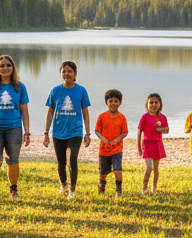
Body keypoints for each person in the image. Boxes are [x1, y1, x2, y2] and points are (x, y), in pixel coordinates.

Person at [0, 55, 30, 198]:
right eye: (1, 66)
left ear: (13, 67)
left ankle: (13, 190)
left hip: (14, 128)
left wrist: (27, 132)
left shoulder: (19, 87)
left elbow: (24, 111)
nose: (5, 68)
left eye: (8, 65)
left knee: (13, 160)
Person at [44, 61, 92, 198]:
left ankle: (72, 189)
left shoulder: (81, 91)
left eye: (69, 71)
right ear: (61, 74)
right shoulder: (55, 91)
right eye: (64, 71)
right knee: (61, 161)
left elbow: (86, 113)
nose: (66, 74)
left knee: (72, 159)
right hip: (58, 132)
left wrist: (87, 133)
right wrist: (46, 132)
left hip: (75, 132)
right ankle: (63, 186)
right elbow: (50, 112)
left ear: (75, 74)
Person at [95, 89, 129, 196]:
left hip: (117, 149)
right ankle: (101, 187)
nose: (113, 103)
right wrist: (103, 139)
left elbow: (124, 132)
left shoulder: (122, 117)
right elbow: (97, 130)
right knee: (103, 172)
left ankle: (118, 190)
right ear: (106, 102)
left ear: (120, 102)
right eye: (110, 101)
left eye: (116, 101)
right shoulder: (102, 116)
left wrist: (116, 140)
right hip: (104, 150)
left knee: (117, 168)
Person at [137, 93, 169, 194]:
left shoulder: (162, 117)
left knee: (156, 168)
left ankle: (154, 188)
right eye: (151, 102)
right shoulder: (144, 117)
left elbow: (167, 130)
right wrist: (139, 146)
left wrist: (161, 129)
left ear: (160, 104)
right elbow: (139, 131)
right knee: (149, 167)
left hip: (158, 145)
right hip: (147, 145)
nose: (153, 105)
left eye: (156, 102)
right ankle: (144, 188)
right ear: (147, 104)